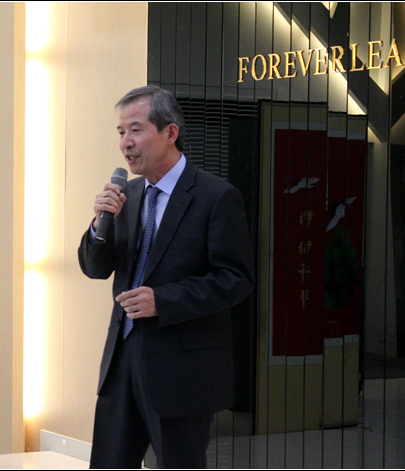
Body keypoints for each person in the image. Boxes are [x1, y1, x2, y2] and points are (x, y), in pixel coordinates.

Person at [78, 86, 254, 469]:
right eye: (121, 132)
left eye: (136, 130)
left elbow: (236, 279)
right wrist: (97, 225)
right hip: (122, 360)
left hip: (181, 370)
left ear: (170, 132)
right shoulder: (127, 195)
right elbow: (95, 268)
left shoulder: (215, 197)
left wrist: (164, 300)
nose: (125, 142)